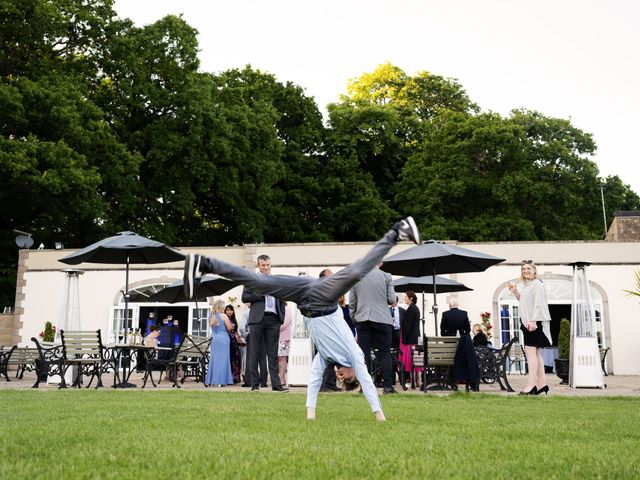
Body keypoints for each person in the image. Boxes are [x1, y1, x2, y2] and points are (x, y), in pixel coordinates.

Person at [183, 216, 421, 421]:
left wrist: (310, 414)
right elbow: (368, 383)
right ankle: (398, 231)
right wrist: (378, 414)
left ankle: (205, 263)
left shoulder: (326, 357)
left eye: (340, 381)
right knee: (358, 271)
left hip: (304, 300)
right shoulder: (354, 354)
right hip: (324, 299)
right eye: (346, 379)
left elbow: (315, 380)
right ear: (354, 374)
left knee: (260, 283)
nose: (340, 378)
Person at [242, 254, 288, 392]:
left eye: (268, 265)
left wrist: (282, 317)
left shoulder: (276, 280)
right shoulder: (251, 280)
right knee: (254, 352)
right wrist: (260, 295)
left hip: (273, 319)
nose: (266, 267)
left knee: (273, 354)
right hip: (257, 319)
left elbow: (283, 297)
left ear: (270, 265)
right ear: (258, 265)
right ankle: (255, 385)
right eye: (263, 265)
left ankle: (276, 385)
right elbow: (244, 297)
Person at [349, 262, 397, 394]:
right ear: (380, 263)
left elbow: (352, 303)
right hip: (382, 318)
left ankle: (365, 386)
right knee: (385, 353)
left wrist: (355, 318)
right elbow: (392, 299)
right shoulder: (386, 276)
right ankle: (387, 386)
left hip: (363, 318)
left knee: (363, 354)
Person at [508, 260, 552, 396]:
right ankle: (542, 384)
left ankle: (531, 385)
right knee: (535, 353)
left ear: (534, 271)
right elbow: (524, 302)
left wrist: (533, 320)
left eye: (528, 268)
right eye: (523, 269)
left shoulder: (537, 284)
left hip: (534, 323)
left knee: (530, 351)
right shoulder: (527, 285)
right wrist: (515, 291)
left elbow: (539, 304)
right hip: (528, 322)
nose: (525, 271)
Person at [205, 299, 234, 387]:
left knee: (214, 359)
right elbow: (229, 328)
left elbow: (212, 326)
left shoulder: (210, 316)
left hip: (214, 338)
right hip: (223, 338)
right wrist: (231, 326)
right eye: (224, 306)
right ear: (221, 306)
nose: (224, 308)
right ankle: (221, 381)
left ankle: (213, 381)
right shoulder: (224, 316)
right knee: (223, 359)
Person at [398, 291, 421, 388]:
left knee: (409, 360)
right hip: (413, 338)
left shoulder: (411, 309)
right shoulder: (414, 308)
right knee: (412, 360)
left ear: (411, 298)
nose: (404, 299)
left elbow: (407, 326)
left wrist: (403, 339)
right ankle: (417, 380)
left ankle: (414, 381)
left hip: (409, 339)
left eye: (406, 297)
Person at [225, 304, 242, 383]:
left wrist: (239, 338)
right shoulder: (224, 319)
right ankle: (228, 378)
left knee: (235, 359)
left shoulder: (234, 319)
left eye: (231, 310)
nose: (229, 312)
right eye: (227, 310)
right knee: (228, 359)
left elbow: (236, 331)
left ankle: (235, 378)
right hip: (226, 340)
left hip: (234, 342)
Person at [278, 303, 292, 386]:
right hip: (275, 338)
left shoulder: (287, 309)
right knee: (277, 358)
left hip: (284, 337)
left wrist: (273, 328)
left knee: (282, 358)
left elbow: (284, 324)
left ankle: (282, 379)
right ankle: (278, 378)